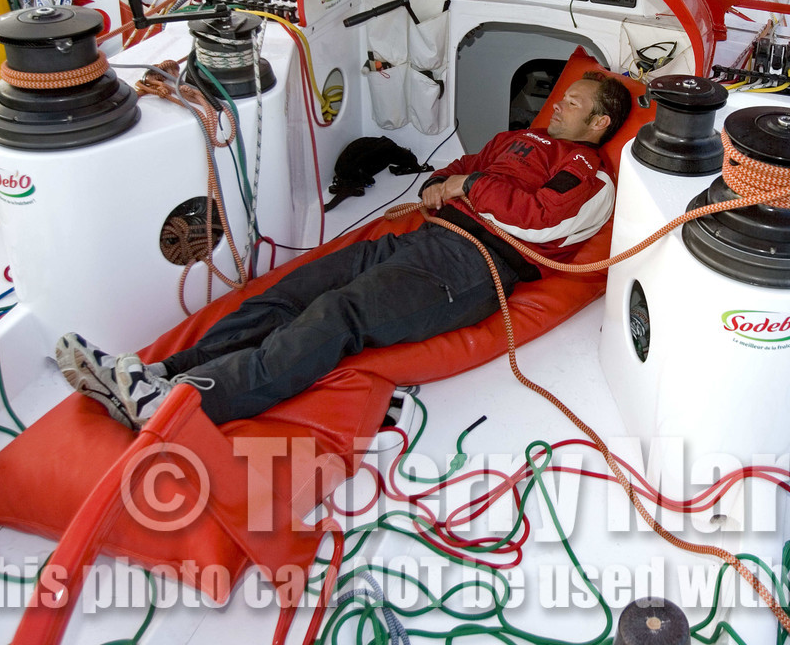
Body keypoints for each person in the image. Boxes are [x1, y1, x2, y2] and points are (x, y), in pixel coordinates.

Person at [57, 72, 633, 428]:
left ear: (600, 121)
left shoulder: (588, 173)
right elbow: (467, 165)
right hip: (429, 236)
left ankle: (186, 402)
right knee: (292, 292)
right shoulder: (517, 140)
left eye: (574, 102)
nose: (558, 104)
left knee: (339, 315)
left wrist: (468, 189)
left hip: (475, 266)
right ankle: (159, 372)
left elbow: (540, 221)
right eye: (563, 97)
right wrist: (442, 185)